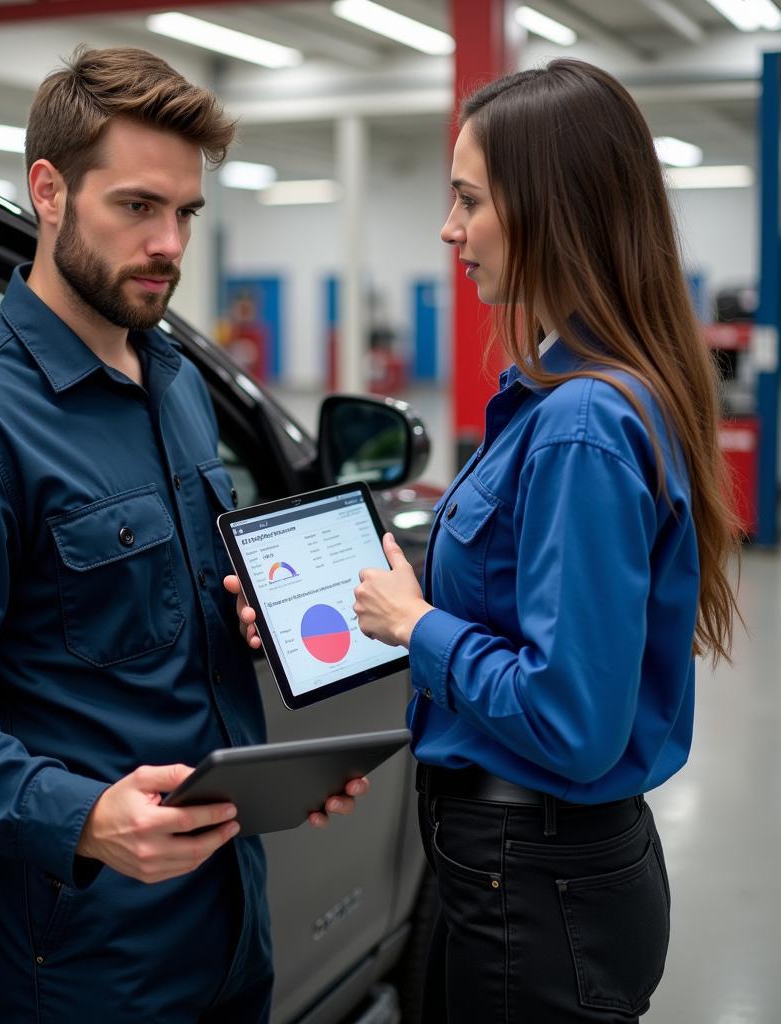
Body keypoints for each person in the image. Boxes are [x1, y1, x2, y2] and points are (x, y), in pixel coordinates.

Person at [0, 46, 363, 1024]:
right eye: (137, 206)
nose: (170, 242)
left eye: (185, 214)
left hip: (227, 915)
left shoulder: (171, 380)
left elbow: (155, 617)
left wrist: (251, 627)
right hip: (85, 953)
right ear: (48, 191)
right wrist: (81, 815)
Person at [347, 60, 741, 1021]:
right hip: (529, 869)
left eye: (469, 201)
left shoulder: (580, 424)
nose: (450, 230)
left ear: (549, 209)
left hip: (530, 881)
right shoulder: (572, 399)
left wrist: (418, 627)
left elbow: (572, 720)